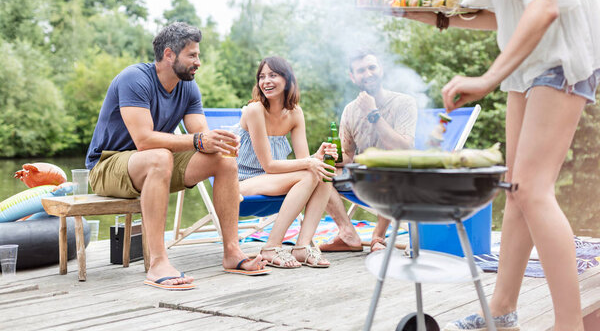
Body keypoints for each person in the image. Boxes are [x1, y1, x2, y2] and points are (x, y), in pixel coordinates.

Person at [401, 0, 600, 330]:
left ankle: (569, 325)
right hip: (530, 63)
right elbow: (505, 14)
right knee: (516, 188)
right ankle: (502, 311)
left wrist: (486, 78)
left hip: (563, 53)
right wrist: (427, 15)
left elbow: (545, 5)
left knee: (532, 189)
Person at [85, 22, 269, 290]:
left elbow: (201, 137)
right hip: (107, 166)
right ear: (169, 54)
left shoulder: (188, 87)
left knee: (224, 159)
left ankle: (232, 252)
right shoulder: (134, 79)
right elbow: (144, 139)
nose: (198, 62)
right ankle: (158, 262)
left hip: (155, 164)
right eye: (192, 55)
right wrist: (198, 140)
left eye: (198, 55)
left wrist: (217, 142)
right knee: (159, 155)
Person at [237, 56, 338, 268]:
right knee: (311, 172)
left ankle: (302, 246)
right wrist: (309, 163)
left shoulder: (295, 113)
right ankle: (271, 247)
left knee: (324, 172)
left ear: (287, 79)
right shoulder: (255, 110)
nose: (266, 81)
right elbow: (269, 166)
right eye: (262, 77)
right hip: (242, 182)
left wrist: (316, 157)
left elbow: (303, 162)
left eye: (273, 75)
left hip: (272, 180)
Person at [319, 51, 417, 253]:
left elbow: (403, 149)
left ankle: (378, 236)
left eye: (372, 67)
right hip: (360, 176)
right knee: (319, 173)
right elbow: (347, 155)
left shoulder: (404, 103)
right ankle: (348, 234)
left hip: (396, 177)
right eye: (361, 70)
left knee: (391, 167)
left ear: (381, 70)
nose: (368, 73)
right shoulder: (350, 110)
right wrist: (329, 158)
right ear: (353, 77)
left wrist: (373, 114)